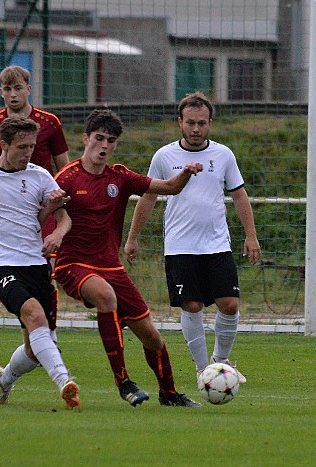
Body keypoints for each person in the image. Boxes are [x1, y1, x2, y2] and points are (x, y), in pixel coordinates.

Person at [52, 109, 203, 408]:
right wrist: (50, 241)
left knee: (153, 338)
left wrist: (186, 172)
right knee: (106, 297)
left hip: (111, 268)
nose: (103, 146)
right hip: (73, 265)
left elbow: (169, 187)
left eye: (110, 140)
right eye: (98, 138)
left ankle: (169, 394)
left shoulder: (119, 177)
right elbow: (45, 214)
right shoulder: (65, 178)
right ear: (86, 138)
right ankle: (123, 381)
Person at [126, 91, 261, 385]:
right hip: (180, 246)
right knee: (192, 306)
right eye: (190, 123)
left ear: (210, 123)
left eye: (201, 123)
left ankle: (221, 364)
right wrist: (132, 237)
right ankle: (204, 372)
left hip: (216, 245)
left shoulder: (223, 155)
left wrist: (251, 236)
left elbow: (239, 195)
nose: (196, 129)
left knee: (230, 304)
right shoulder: (164, 156)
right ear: (180, 122)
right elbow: (148, 198)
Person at [0, 117, 79, 409]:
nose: (28, 152)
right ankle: (65, 381)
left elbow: (64, 218)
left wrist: (56, 229)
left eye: (32, 146)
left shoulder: (41, 177)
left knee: (35, 349)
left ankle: (4, 380)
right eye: (21, 147)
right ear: (2, 145)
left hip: (36, 266)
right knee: (34, 315)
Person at [0, 65, 70, 333]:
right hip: (9, 213)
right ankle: (35, 336)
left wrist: (59, 201)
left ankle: (46, 334)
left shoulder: (50, 123)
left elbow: (63, 168)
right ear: (1, 93)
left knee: (46, 272)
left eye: (18, 88)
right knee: (21, 280)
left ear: (29, 89)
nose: (13, 94)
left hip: (44, 208)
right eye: (8, 89)